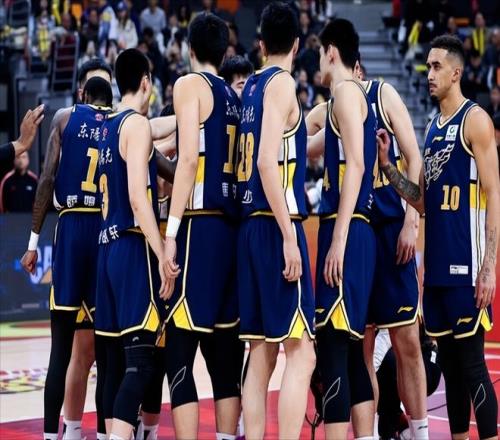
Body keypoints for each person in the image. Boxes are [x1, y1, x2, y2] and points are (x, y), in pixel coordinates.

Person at [377, 34, 499, 440]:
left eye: (435, 67)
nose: (428, 74)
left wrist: (489, 267)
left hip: (468, 270)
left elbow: (494, 194)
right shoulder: (431, 128)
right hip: (437, 272)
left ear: (456, 73)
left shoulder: (475, 120)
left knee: (473, 366)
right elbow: (422, 201)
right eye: (427, 66)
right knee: (450, 367)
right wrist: (389, 168)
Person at [162, 13, 244, 440]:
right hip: (232, 231)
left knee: (178, 352)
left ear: (190, 49)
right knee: (225, 356)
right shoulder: (233, 95)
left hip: (200, 226)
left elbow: (189, 159)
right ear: (224, 52)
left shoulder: (189, 84)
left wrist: (171, 233)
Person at [236, 3, 316, 438]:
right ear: (297, 45)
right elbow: (268, 161)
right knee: (301, 353)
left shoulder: (251, 85)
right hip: (275, 222)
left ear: (261, 43)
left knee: (261, 352)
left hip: (249, 225)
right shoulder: (283, 84)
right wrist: (289, 236)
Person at [20, 75, 113, 440]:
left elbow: (46, 180)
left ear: (81, 94)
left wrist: (32, 243)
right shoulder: (119, 123)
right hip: (104, 230)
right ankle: (105, 433)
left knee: (60, 349)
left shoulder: (63, 118)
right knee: (106, 350)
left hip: (71, 229)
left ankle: (52, 435)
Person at [93, 48, 170, 440]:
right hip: (131, 245)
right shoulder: (136, 125)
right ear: (145, 81)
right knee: (140, 365)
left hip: (105, 249)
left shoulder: (108, 124)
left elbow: (158, 127)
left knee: (113, 366)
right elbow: (139, 200)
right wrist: (161, 254)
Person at [310, 18, 377, 439]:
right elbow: (310, 147)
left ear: (331, 51)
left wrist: (338, 239)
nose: (318, 61)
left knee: (334, 349)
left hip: (346, 229)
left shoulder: (346, 93)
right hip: (354, 230)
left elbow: (356, 164)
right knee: (351, 352)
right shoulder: (346, 99)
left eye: (320, 53)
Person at [0, 105, 44, 176]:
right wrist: (21, 144)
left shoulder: (33, 178)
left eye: (23, 157)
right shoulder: (7, 179)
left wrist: (21, 144)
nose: (21, 161)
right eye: (19, 157)